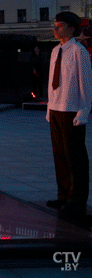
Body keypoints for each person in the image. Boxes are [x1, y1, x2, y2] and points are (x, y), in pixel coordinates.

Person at [46, 11, 92, 218]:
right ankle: (63, 195)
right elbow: (50, 82)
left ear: (72, 28)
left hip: (72, 108)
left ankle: (77, 201)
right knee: (60, 155)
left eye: (60, 25)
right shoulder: (56, 50)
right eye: (55, 25)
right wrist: (49, 107)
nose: (56, 29)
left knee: (75, 157)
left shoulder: (79, 51)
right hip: (56, 108)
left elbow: (86, 82)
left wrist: (83, 110)